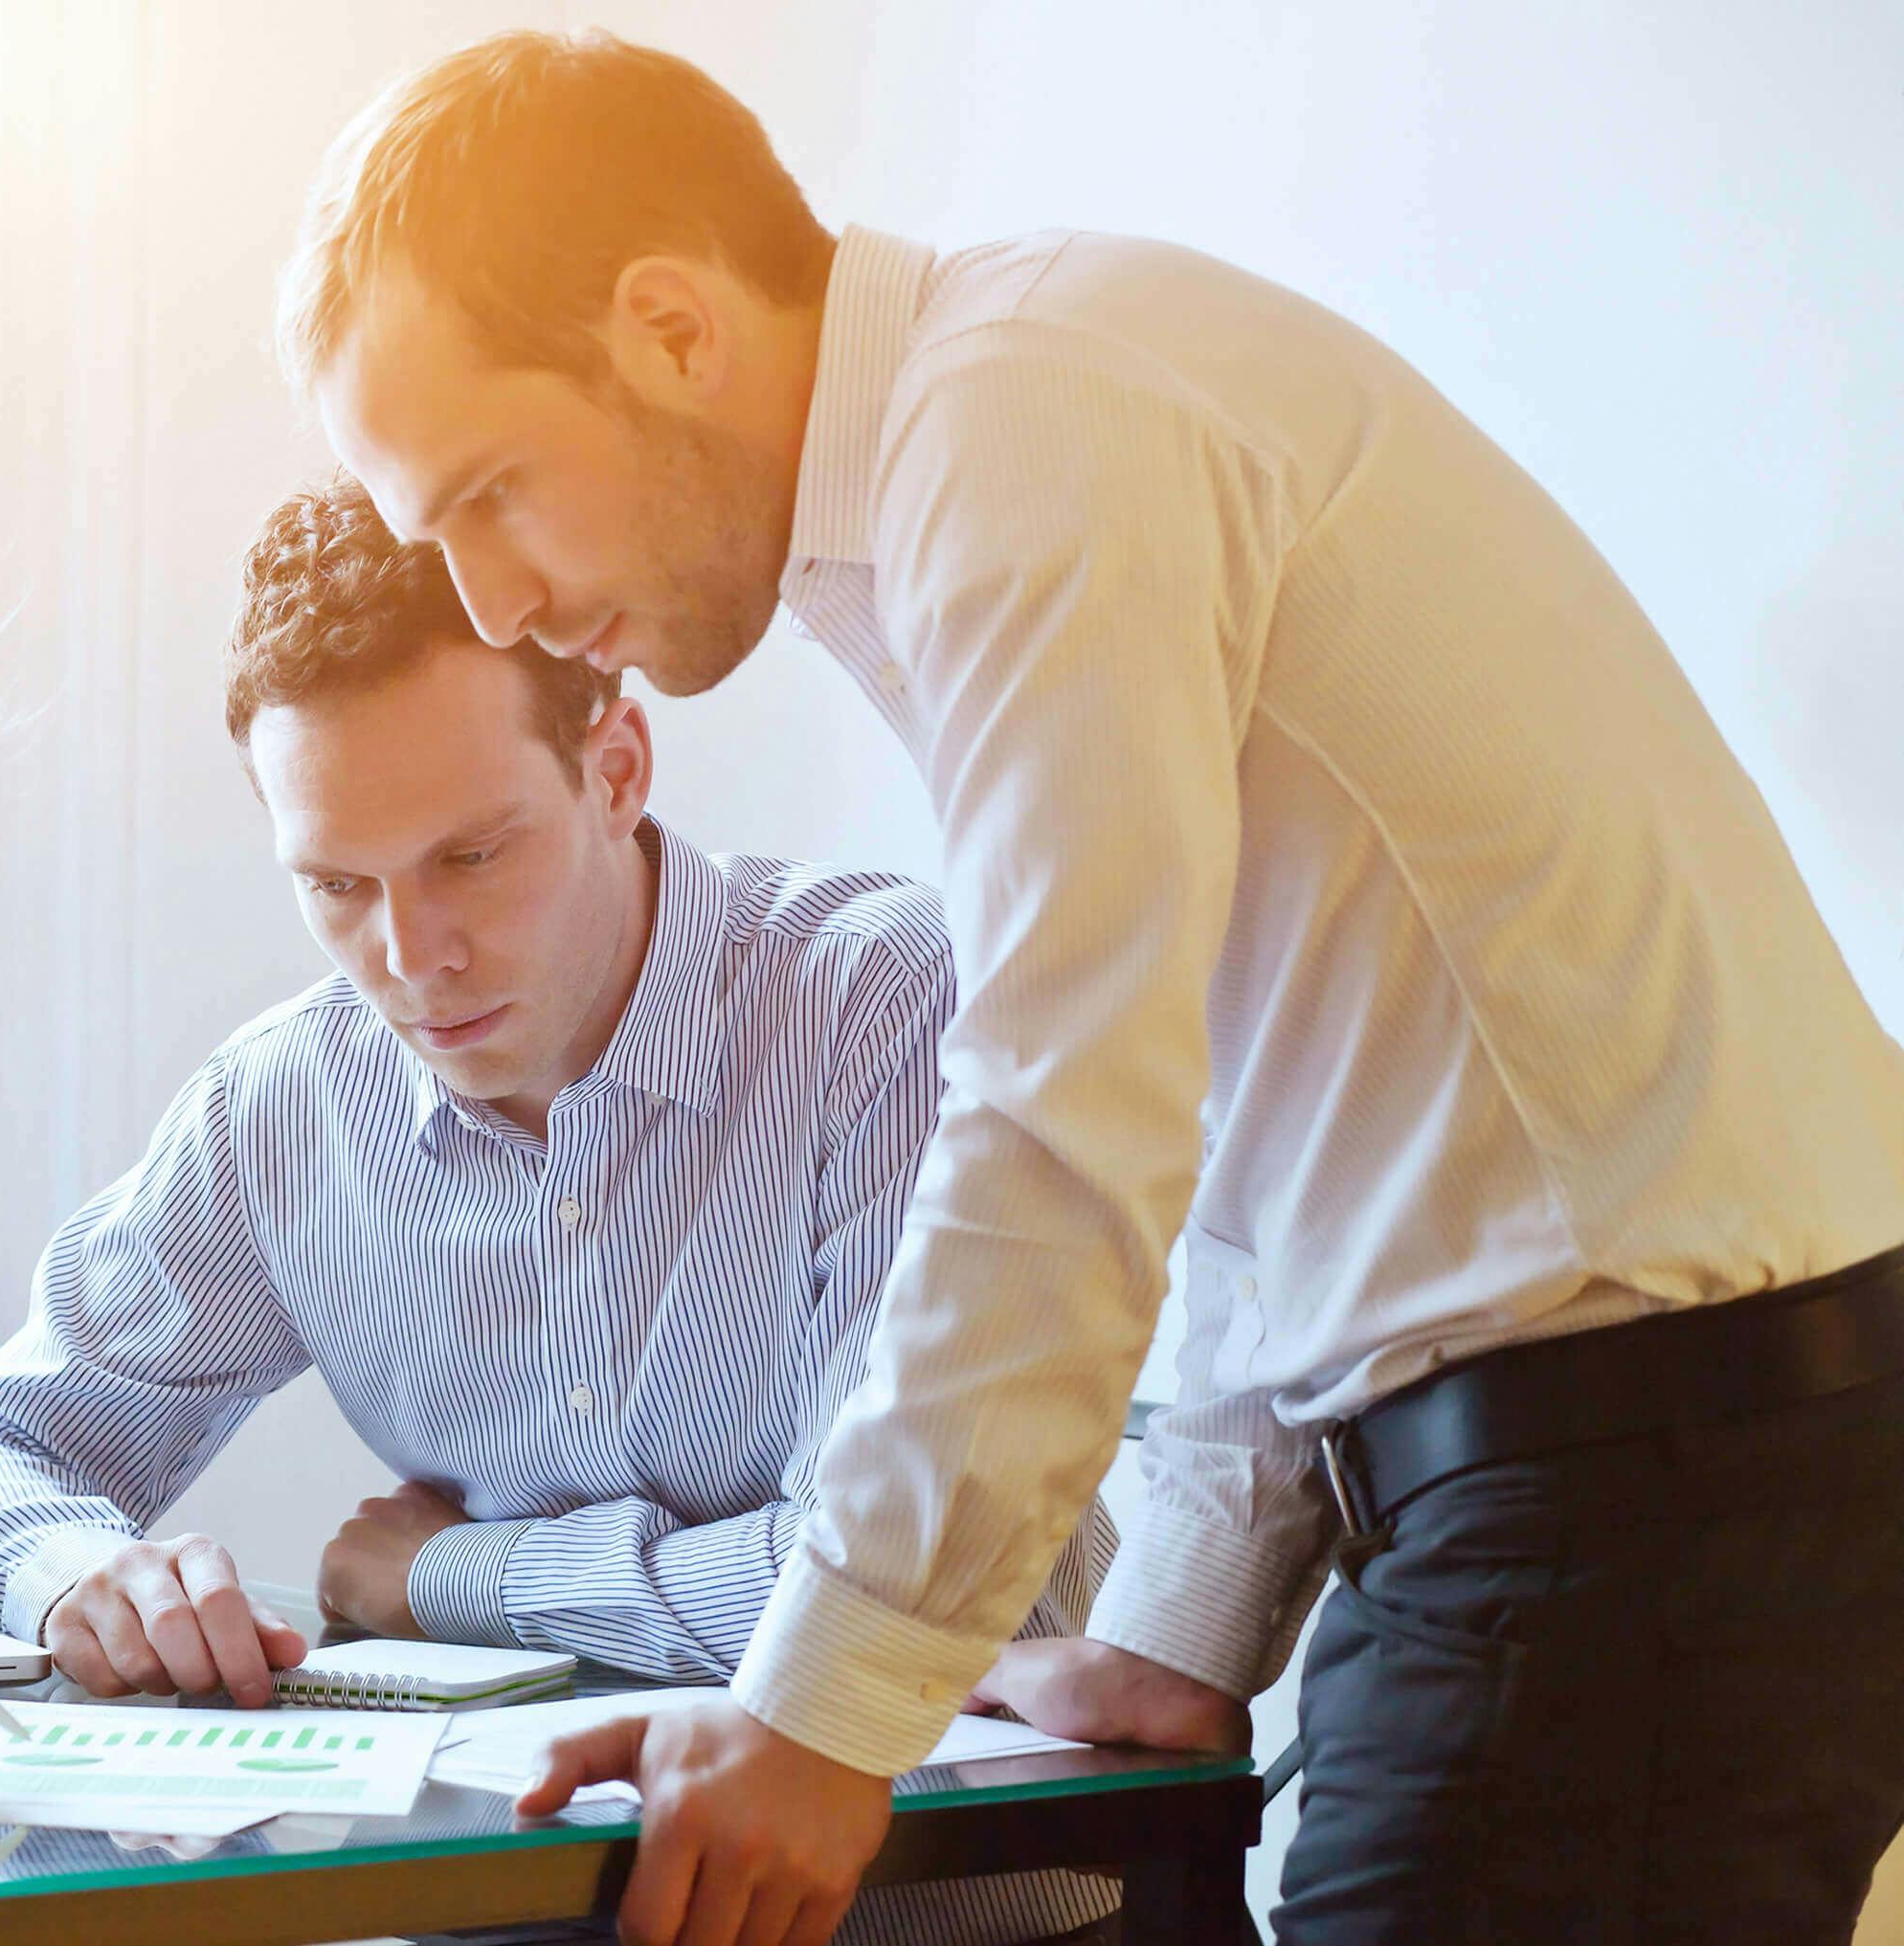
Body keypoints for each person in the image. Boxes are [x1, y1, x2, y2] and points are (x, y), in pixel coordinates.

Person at [276, 30, 1904, 1946]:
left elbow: (1066, 1110)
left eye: (485, 493)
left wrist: (818, 1709)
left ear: (667, 326)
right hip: (1636, 1477)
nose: (490, 602)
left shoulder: (1021, 426)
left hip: (1642, 1491)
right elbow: (1248, 1098)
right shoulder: (1004, 427)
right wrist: (1169, 1633)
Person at [0, 475, 1124, 1946]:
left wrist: (440, 1572)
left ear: (615, 766)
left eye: (469, 857)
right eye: (337, 883)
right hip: (523, 1913)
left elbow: (878, 1604)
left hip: (959, 1914)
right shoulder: (285, 1105)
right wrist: (78, 1573)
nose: (411, 955)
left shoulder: (885, 1005)